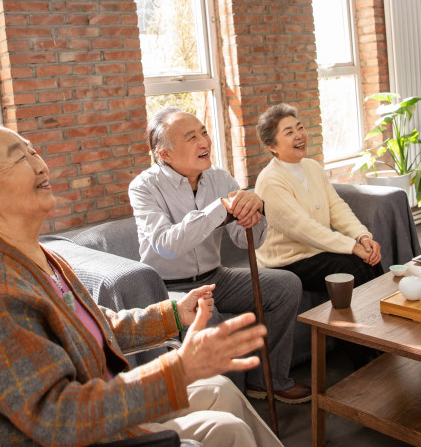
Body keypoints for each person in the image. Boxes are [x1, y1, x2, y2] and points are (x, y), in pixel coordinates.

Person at [0, 120, 283, 447]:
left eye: (33, 151)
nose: (39, 164)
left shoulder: (34, 256)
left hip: (103, 408)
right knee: (228, 430)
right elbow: (58, 418)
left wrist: (174, 314)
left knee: (221, 389)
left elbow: (93, 325)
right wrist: (179, 369)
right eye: (18, 158)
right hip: (81, 433)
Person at [128, 107, 311, 404]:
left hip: (216, 278)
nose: (204, 142)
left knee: (285, 285)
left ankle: (267, 381)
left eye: (203, 132)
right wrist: (220, 209)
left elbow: (244, 241)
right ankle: (231, 408)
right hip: (168, 288)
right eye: (191, 138)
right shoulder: (144, 187)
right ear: (164, 153)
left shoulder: (220, 178)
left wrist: (254, 213)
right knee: (210, 322)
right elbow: (165, 244)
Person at [254, 103, 383, 292]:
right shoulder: (270, 181)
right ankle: (371, 318)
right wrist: (351, 247)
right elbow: (304, 228)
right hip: (286, 263)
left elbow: (336, 207)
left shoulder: (312, 167)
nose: (299, 135)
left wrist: (362, 236)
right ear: (272, 146)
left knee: (371, 260)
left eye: (300, 127)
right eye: (289, 132)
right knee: (351, 267)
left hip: (317, 252)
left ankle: (390, 313)